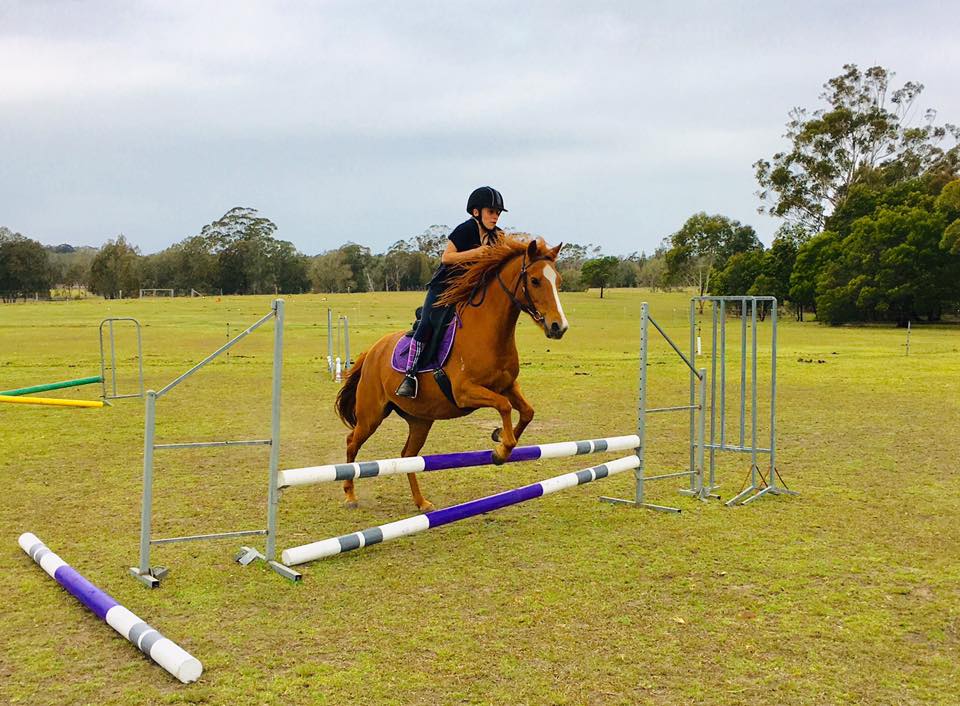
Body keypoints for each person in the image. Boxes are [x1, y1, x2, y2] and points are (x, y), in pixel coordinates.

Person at [396, 186, 507, 398]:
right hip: (444, 288)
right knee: (427, 324)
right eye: (491, 211)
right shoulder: (465, 230)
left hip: (471, 289)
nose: (495, 216)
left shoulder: (498, 237)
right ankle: (409, 375)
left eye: (498, 213)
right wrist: (476, 253)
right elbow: (446, 258)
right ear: (476, 212)